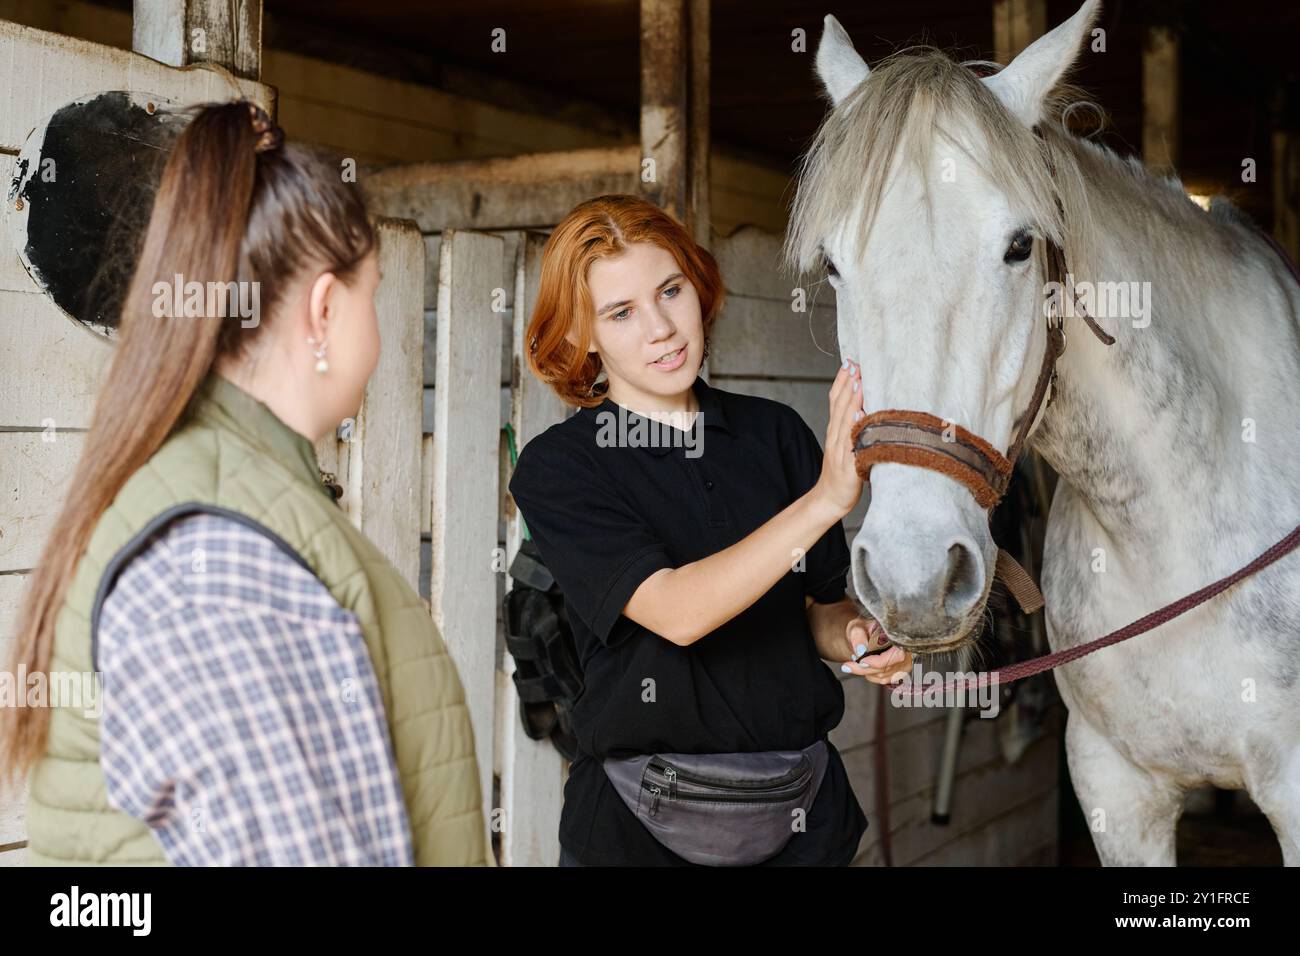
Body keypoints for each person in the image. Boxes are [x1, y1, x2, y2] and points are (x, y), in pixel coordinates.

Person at [0, 101, 489, 866]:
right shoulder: (220, 559)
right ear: (325, 310)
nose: (381, 335)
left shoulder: (235, 494)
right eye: (373, 294)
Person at [508, 194, 913, 866]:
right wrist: (825, 501)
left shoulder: (774, 432)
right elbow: (678, 610)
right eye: (621, 312)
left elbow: (814, 609)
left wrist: (859, 637)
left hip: (802, 818)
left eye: (671, 290)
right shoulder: (562, 468)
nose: (661, 327)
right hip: (638, 832)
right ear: (583, 338)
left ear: (698, 286)